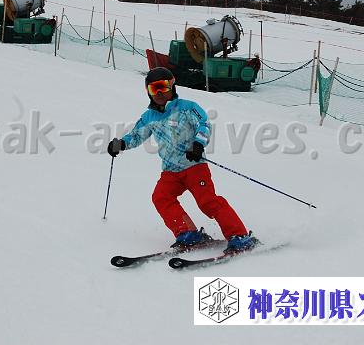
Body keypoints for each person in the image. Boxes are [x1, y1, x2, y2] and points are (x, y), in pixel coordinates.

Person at [107, 67, 258, 253]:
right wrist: (121, 144)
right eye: (154, 89)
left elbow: (204, 124)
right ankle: (187, 233)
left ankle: (239, 236)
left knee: (207, 202)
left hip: (194, 165)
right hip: (170, 171)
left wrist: (198, 144)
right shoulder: (149, 117)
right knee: (161, 197)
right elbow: (136, 135)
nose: (159, 93)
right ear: (148, 92)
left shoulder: (188, 107)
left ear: (172, 86)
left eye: (163, 87)